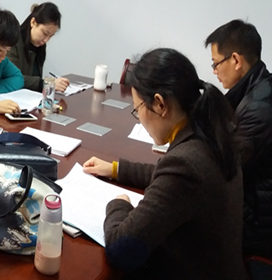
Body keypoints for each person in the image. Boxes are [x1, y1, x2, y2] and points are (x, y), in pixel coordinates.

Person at [83, 48, 245, 279]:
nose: (139, 117)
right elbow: (168, 177)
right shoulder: (211, 135)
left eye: (138, 109)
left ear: (160, 104)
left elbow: (121, 250)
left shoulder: (185, 164)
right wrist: (116, 169)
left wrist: (119, 205)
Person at [205, 19, 272, 257]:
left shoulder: (259, 108)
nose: (214, 71)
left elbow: (224, 169)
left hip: (257, 223)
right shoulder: (256, 90)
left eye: (216, 64)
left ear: (235, 60)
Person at [7, 2, 70, 92]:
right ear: (33, 22)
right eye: (45, 33)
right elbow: (12, 78)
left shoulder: (40, 46)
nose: (46, 40)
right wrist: (45, 84)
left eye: (50, 36)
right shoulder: (12, 42)